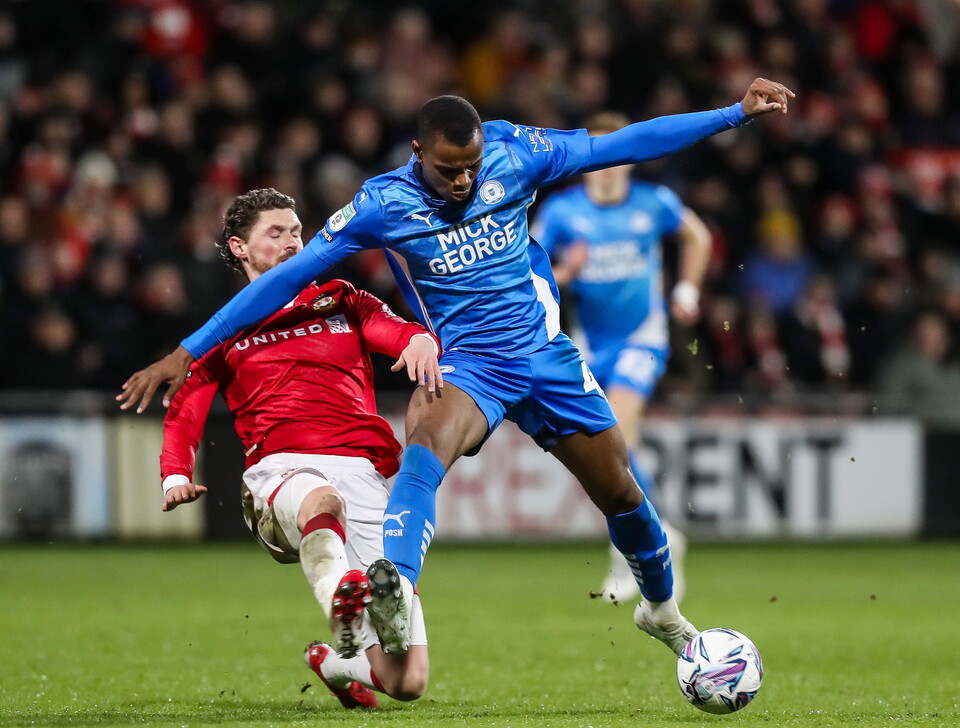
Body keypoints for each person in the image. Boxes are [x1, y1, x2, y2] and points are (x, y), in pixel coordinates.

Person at [119, 79, 795, 663]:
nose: (464, 180)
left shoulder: (516, 151)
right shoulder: (383, 205)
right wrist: (189, 350)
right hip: (473, 364)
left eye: (471, 167)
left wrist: (732, 112)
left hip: (546, 355)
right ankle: (395, 588)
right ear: (418, 155)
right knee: (425, 447)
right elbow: (287, 277)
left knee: (622, 492)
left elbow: (617, 145)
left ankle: (661, 611)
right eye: (449, 171)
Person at [158, 188, 439, 709]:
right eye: (276, 233)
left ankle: (332, 661)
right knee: (320, 500)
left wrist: (417, 340)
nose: (293, 242)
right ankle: (341, 602)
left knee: (407, 682)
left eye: (297, 232)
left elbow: (392, 330)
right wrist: (175, 474)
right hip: (280, 472)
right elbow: (186, 408)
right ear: (240, 247)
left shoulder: (341, 297)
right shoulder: (226, 326)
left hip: (366, 473)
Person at [530, 111, 713, 605]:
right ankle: (663, 535)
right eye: (600, 158)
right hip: (587, 346)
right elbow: (528, 270)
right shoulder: (563, 212)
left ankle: (626, 561)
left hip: (642, 340)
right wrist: (565, 274)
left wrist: (689, 289)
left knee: (619, 438)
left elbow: (699, 236)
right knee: (609, 450)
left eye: (617, 158)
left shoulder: (653, 203)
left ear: (628, 162)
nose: (608, 168)